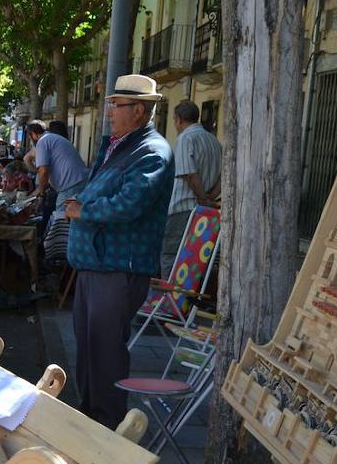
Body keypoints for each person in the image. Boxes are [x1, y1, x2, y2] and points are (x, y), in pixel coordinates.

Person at [64, 74, 174, 426]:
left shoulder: (152, 152)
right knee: (88, 346)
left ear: (139, 110)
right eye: (110, 103)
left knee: (105, 350)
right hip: (96, 264)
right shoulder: (119, 145)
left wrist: (83, 210)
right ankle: (89, 418)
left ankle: (106, 426)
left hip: (117, 267)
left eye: (117, 104)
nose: (110, 110)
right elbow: (99, 188)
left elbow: (129, 204)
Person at [162, 100, 222, 274]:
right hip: (205, 212)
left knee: (171, 257)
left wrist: (203, 198)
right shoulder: (214, 141)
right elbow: (223, 177)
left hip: (183, 208)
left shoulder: (185, 138)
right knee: (194, 261)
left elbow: (189, 173)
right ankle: (187, 298)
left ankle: (172, 300)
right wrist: (210, 198)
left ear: (179, 119)